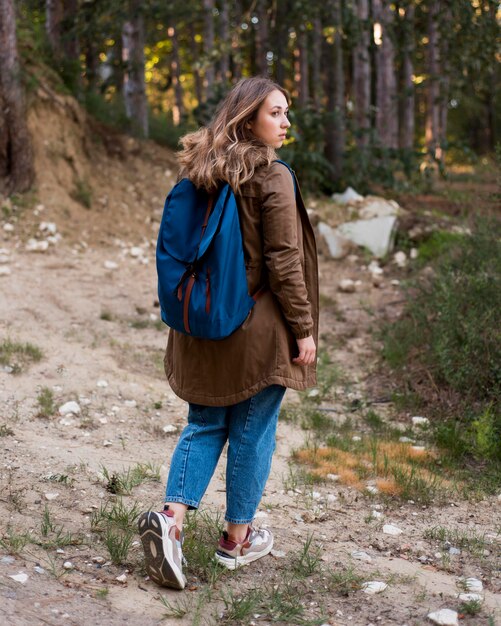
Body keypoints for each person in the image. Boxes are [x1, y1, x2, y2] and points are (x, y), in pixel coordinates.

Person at [138, 76, 319, 590]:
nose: (286, 123)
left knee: (204, 422)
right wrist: (303, 330)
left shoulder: (201, 169)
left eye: (286, 113)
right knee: (253, 429)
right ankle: (236, 540)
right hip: (257, 327)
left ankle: (170, 524)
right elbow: (285, 262)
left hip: (204, 321)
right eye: (277, 113)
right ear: (248, 119)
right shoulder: (272, 177)